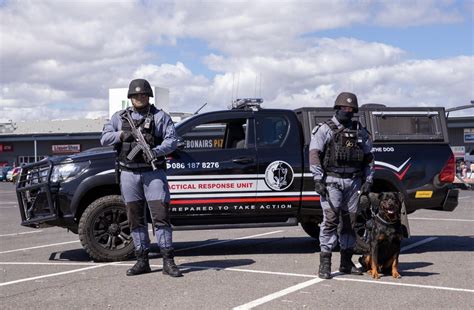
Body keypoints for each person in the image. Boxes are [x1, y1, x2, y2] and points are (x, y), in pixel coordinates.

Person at [101, 78, 182, 277]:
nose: (140, 97)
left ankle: (168, 261)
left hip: (153, 173)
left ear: (149, 96)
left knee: (161, 216)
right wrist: (121, 136)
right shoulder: (119, 118)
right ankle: (142, 260)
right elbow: (104, 138)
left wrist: (155, 151)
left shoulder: (160, 116)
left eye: (144, 94)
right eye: (136, 95)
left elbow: (173, 140)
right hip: (129, 173)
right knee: (135, 219)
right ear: (130, 97)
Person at [309, 92, 374, 279]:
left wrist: (369, 179)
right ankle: (325, 263)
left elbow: (369, 157)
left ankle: (346, 262)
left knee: (350, 223)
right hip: (331, 181)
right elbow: (314, 154)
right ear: (337, 108)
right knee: (330, 221)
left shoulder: (359, 131)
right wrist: (317, 179)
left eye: (351, 109)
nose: (347, 111)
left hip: (353, 182)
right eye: (344, 108)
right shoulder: (325, 129)